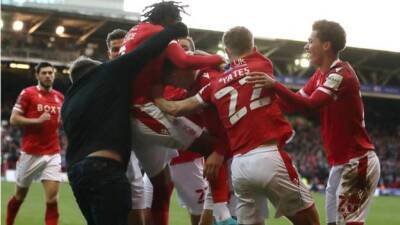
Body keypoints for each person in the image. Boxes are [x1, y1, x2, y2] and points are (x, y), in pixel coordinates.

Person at [153, 26, 320, 225]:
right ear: (253, 46)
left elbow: (178, 108)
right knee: (309, 221)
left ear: (227, 51)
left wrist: (155, 98)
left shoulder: (215, 85)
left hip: (240, 167)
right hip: (267, 155)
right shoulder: (261, 64)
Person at [246, 20, 381, 225]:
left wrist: (275, 85)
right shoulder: (320, 75)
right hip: (341, 163)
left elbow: (311, 104)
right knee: (334, 223)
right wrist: (258, 97)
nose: (306, 46)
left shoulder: (341, 74)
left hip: (358, 161)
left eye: (310, 41)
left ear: (326, 45)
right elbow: (293, 104)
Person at [61, 22, 189, 225]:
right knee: (154, 183)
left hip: (77, 173)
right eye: (114, 49)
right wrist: (173, 29)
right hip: (106, 167)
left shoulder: (68, 102)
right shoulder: (109, 74)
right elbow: (145, 51)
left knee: (143, 189)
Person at [122, 2, 224, 225]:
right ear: (169, 19)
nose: (176, 29)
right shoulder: (160, 33)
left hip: (126, 111)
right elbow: (184, 61)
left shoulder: (135, 32)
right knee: (211, 146)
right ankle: (222, 206)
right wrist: (218, 58)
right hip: (141, 110)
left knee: (159, 183)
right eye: (176, 23)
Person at [6, 62, 64, 225]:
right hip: (30, 153)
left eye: (50, 73)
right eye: (44, 73)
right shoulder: (28, 93)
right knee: (20, 195)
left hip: (52, 153)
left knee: (52, 198)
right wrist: (37, 121)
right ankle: (9, 222)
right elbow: (14, 119)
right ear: (37, 75)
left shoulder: (60, 97)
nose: (48, 76)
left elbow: (61, 121)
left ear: (54, 75)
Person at [106, 28, 146, 225]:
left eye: (122, 48)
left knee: (138, 197)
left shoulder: (142, 76)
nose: (119, 52)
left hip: (139, 147)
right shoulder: (100, 78)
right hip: (109, 149)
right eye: (114, 49)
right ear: (108, 53)